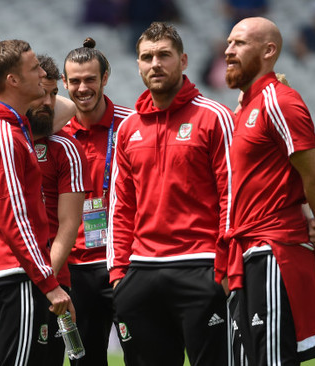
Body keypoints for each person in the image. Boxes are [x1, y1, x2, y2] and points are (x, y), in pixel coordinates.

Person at [217, 16, 315, 365]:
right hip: (243, 254)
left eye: (240, 43)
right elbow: (275, 182)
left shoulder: (279, 101)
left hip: (271, 252)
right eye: (229, 43)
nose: (228, 51)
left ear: (269, 50)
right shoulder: (244, 108)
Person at [107, 22, 233, 366]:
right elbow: (121, 206)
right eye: (146, 57)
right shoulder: (128, 128)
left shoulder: (215, 117)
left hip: (202, 267)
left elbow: (232, 197)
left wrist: (223, 270)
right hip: (142, 272)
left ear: (184, 60)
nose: (155, 64)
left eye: (164, 55)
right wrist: (119, 273)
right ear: (137, 64)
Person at [0, 39, 75, 366]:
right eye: (34, 69)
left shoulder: (10, 128)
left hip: (10, 271)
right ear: (12, 80)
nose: (42, 72)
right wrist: (49, 282)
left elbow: (67, 107)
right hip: (16, 274)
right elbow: (14, 218)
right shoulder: (3, 134)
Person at [61, 37, 135, 366]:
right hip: (75, 268)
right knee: (84, 360)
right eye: (74, 81)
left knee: (144, 354)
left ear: (105, 78)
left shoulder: (132, 125)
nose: (82, 88)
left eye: (90, 79)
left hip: (124, 263)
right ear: (64, 83)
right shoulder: (55, 133)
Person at [28, 54, 92, 365]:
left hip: (51, 272)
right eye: (42, 92)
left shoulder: (65, 147)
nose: (50, 101)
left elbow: (69, 224)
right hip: (1, 271)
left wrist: (45, 278)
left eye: (53, 92)